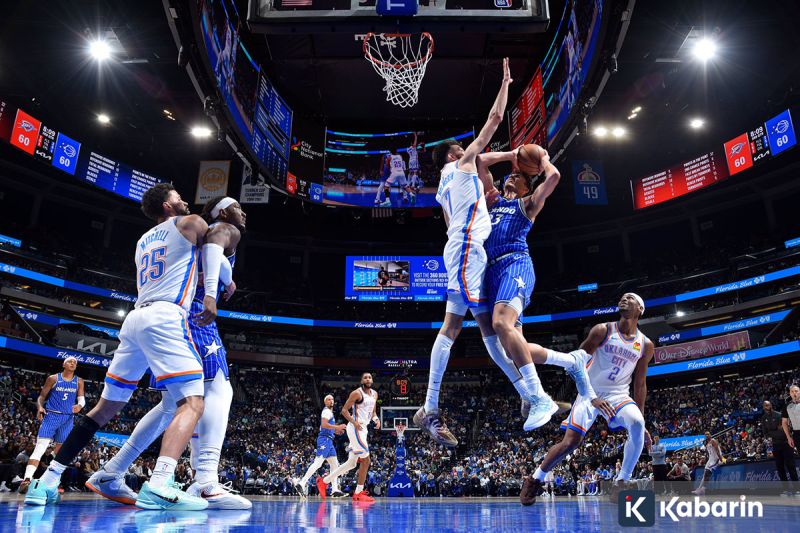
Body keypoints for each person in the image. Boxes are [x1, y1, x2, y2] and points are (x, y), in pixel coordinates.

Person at [25, 183, 216, 510]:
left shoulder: (143, 241)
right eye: (178, 197)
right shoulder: (189, 223)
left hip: (135, 319)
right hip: (166, 316)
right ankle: (161, 482)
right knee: (193, 402)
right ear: (167, 206)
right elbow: (218, 239)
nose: (184, 200)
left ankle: (46, 481)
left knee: (103, 409)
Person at [83, 196, 248, 509]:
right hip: (194, 317)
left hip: (170, 316)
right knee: (217, 390)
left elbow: (209, 253)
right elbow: (213, 247)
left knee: (173, 404)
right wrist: (216, 288)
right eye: (238, 207)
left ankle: (113, 469)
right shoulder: (227, 228)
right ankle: (205, 481)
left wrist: (227, 276)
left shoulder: (194, 233)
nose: (244, 212)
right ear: (223, 212)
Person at [417, 58, 541, 447]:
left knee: (487, 330)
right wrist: (505, 82)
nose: (466, 149)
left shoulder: (444, 184)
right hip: (468, 251)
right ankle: (431, 407)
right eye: (462, 147)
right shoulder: (464, 162)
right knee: (461, 328)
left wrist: (507, 158)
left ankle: (526, 395)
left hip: (463, 249)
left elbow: (479, 166)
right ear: (456, 154)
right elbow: (495, 117)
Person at [478, 159, 592, 430]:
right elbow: (479, 163)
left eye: (517, 176)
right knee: (512, 347)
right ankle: (570, 360)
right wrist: (511, 154)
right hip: (491, 274)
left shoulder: (526, 204)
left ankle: (540, 398)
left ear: (527, 185)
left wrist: (541, 159)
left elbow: (553, 177)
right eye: (510, 174)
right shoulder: (492, 200)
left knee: (500, 324)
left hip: (514, 265)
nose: (510, 177)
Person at [519, 293, 654, 506]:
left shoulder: (645, 344)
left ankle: (622, 481)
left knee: (637, 423)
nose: (624, 299)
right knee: (570, 442)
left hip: (618, 395)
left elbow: (640, 383)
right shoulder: (603, 330)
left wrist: (644, 419)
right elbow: (575, 365)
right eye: (622, 297)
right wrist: (591, 397)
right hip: (589, 390)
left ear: (640, 308)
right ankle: (535, 478)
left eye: (630, 298)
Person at [18, 357, 84, 494]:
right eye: (70, 361)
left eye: (75, 363)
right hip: (51, 416)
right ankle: (27, 479)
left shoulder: (79, 381)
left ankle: (50, 482)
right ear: (63, 364)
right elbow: (41, 397)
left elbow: (81, 400)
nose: (73, 363)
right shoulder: (53, 378)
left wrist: (80, 406)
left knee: (59, 454)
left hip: (67, 419)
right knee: (40, 448)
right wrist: (40, 407)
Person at [317, 373, 380, 502]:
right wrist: (354, 422)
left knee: (351, 464)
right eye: (365, 377)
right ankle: (358, 492)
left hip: (364, 429)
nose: (368, 379)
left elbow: (372, 412)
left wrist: (376, 419)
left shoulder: (374, 394)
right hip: (355, 428)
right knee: (366, 460)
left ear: (372, 380)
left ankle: (324, 481)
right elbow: (344, 411)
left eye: (370, 377)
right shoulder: (356, 393)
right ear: (361, 380)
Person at [293, 394, 347, 499]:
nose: (331, 401)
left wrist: (336, 431)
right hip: (324, 440)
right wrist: (337, 426)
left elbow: (327, 427)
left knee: (335, 465)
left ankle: (335, 489)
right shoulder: (326, 411)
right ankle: (302, 483)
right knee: (318, 463)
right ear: (325, 402)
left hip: (329, 440)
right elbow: (324, 424)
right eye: (328, 399)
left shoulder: (330, 413)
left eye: (332, 399)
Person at [762, 399, 797, 495]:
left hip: (786, 443)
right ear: (763, 407)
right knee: (780, 468)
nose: (767, 407)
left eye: (768, 405)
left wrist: (773, 432)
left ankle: (797, 489)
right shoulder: (763, 418)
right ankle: (785, 489)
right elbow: (765, 433)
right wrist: (775, 431)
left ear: (771, 405)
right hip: (776, 445)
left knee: (791, 466)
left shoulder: (779, 415)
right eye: (765, 406)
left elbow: (785, 430)